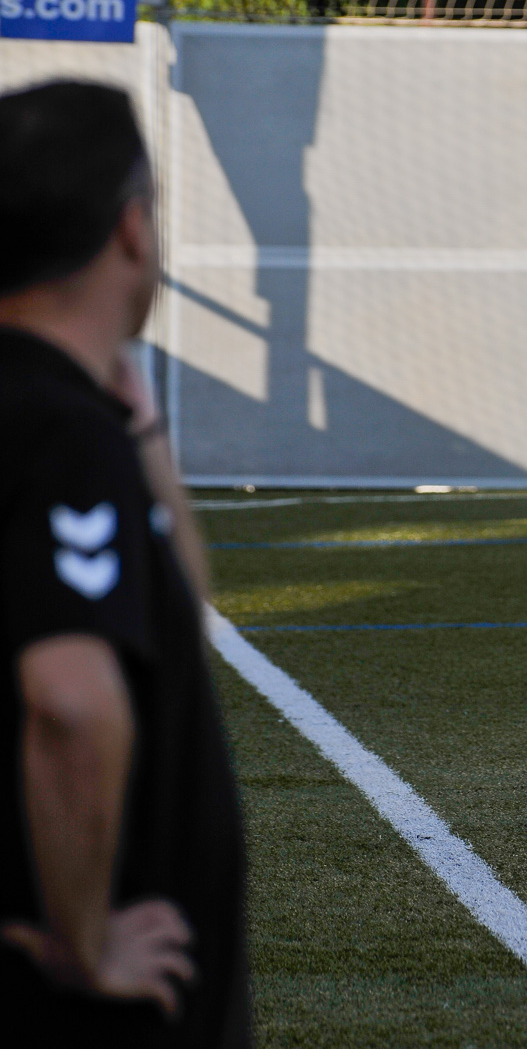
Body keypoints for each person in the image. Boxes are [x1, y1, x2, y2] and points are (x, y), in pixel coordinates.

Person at [0, 81, 249, 1044]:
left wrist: (136, 424)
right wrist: (89, 937)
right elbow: (70, 699)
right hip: (97, 996)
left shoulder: (72, 412)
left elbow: (178, 600)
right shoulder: (54, 429)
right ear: (132, 230)